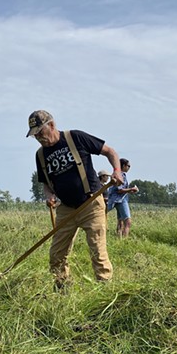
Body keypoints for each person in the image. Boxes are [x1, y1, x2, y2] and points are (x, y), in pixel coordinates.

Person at [27, 110, 124, 291]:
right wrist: (49, 196)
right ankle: (62, 288)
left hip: (91, 203)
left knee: (98, 251)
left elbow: (110, 152)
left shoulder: (75, 137)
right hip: (66, 209)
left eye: (40, 132)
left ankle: (104, 291)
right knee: (57, 253)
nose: (39, 138)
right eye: (35, 135)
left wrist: (117, 171)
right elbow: (46, 184)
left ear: (52, 125)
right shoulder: (40, 155)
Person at [106, 158, 139, 237]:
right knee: (127, 221)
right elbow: (120, 190)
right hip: (119, 199)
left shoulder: (120, 174)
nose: (129, 168)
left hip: (117, 199)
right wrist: (132, 189)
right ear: (123, 165)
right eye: (128, 166)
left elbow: (121, 190)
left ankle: (119, 238)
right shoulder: (120, 175)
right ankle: (124, 240)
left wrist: (130, 191)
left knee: (120, 221)